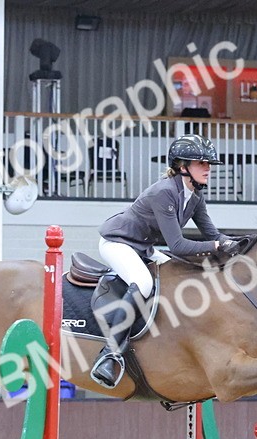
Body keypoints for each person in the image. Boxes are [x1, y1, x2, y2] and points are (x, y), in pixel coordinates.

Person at [90, 133, 243, 388]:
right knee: (143, 282)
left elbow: (213, 234)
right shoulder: (164, 193)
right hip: (118, 242)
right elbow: (178, 245)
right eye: (201, 164)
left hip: (143, 247)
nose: (208, 169)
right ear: (182, 167)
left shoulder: (194, 196)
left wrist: (242, 242)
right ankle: (110, 353)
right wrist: (217, 246)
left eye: (208, 164)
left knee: (178, 272)